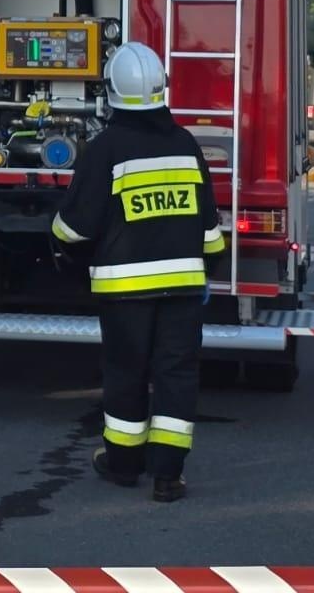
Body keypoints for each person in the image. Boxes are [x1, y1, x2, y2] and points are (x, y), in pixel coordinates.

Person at [50, 41, 226, 503]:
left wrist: (56, 238)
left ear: (111, 92)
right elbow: (211, 234)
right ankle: (168, 475)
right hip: (184, 288)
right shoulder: (186, 144)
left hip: (125, 290)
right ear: (160, 89)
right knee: (177, 374)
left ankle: (124, 465)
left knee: (126, 373)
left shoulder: (105, 149)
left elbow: (73, 229)